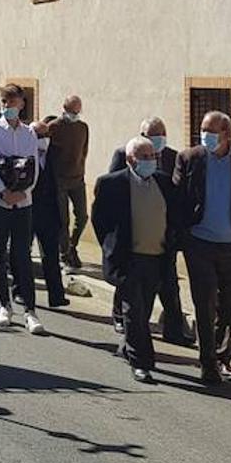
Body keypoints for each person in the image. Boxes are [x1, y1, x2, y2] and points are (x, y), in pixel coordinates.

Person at [175, 110, 231, 384]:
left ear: (226, 134)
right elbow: (177, 200)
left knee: (230, 305)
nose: (205, 136)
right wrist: (184, 237)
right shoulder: (190, 158)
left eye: (211, 132)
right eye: (203, 130)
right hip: (200, 243)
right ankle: (207, 362)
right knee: (204, 303)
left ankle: (223, 357)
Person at [93, 137, 186, 384]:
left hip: (158, 258)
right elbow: (100, 221)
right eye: (144, 157)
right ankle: (141, 362)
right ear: (130, 160)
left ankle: (128, 348)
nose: (150, 161)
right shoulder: (112, 184)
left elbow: (174, 216)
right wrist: (112, 249)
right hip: (129, 260)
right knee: (133, 310)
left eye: (152, 156)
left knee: (143, 310)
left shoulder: (164, 182)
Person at [106, 117, 191, 345]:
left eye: (162, 133)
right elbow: (111, 194)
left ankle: (174, 329)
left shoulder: (174, 157)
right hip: (131, 239)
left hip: (163, 237)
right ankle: (119, 317)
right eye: (153, 135)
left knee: (170, 285)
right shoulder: (123, 154)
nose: (158, 139)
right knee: (128, 285)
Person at [0, 84, 45, 335]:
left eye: (13, 103)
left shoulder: (29, 133)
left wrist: (23, 193)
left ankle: (30, 309)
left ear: (21, 104)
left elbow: (34, 168)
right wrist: (3, 192)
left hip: (23, 202)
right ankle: (4, 305)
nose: (8, 108)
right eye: (4, 103)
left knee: (22, 255)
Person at [26, 117, 67, 305]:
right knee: (22, 253)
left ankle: (56, 295)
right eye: (39, 135)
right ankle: (21, 290)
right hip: (28, 210)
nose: (43, 138)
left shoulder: (56, 153)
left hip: (50, 211)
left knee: (51, 255)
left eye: (46, 135)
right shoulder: (24, 153)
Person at [49, 95, 90, 274]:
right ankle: (64, 253)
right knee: (62, 219)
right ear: (64, 108)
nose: (75, 113)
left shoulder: (83, 127)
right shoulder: (54, 127)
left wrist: (80, 167)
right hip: (59, 180)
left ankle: (73, 245)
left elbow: (84, 150)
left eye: (77, 110)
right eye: (72, 110)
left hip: (77, 178)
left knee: (82, 216)